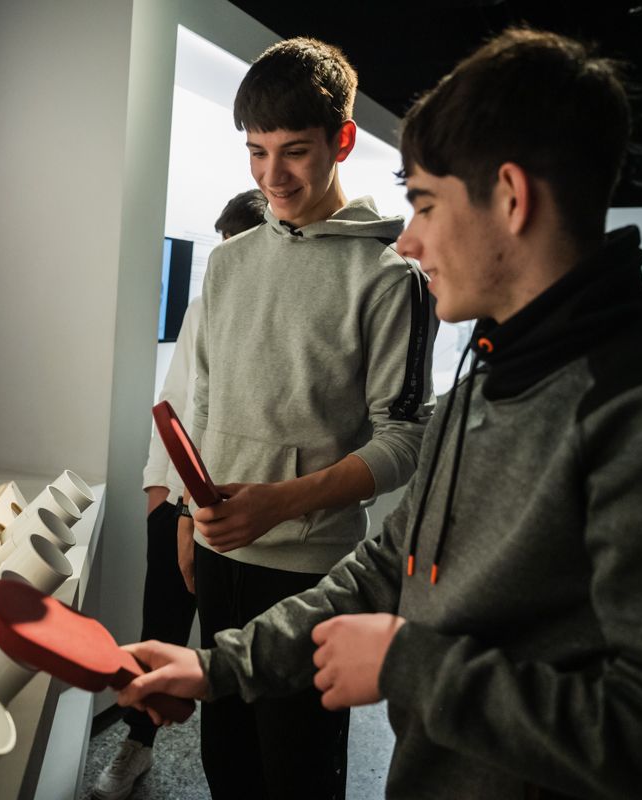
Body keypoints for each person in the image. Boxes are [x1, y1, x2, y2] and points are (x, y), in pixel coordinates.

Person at [119, 28, 642, 799]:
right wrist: (218, 668)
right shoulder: (485, 384)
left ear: (512, 199)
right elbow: (393, 564)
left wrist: (407, 665)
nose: (410, 242)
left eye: (424, 203)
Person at [178, 37, 435, 800]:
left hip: (313, 571)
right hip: (220, 554)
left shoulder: (391, 277)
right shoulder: (229, 262)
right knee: (226, 764)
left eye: (293, 151)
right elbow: (204, 401)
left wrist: (279, 504)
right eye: (256, 152)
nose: (271, 175)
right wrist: (191, 519)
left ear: (343, 140)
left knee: (295, 775)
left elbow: (406, 436)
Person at [92, 188, 267, 800]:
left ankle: (233, 771)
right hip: (175, 499)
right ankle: (136, 748)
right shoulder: (202, 307)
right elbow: (174, 403)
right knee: (160, 628)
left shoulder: (276, 319)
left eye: (235, 251)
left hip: (238, 508)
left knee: (229, 650)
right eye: (220, 251)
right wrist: (157, 490)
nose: (225, 266)